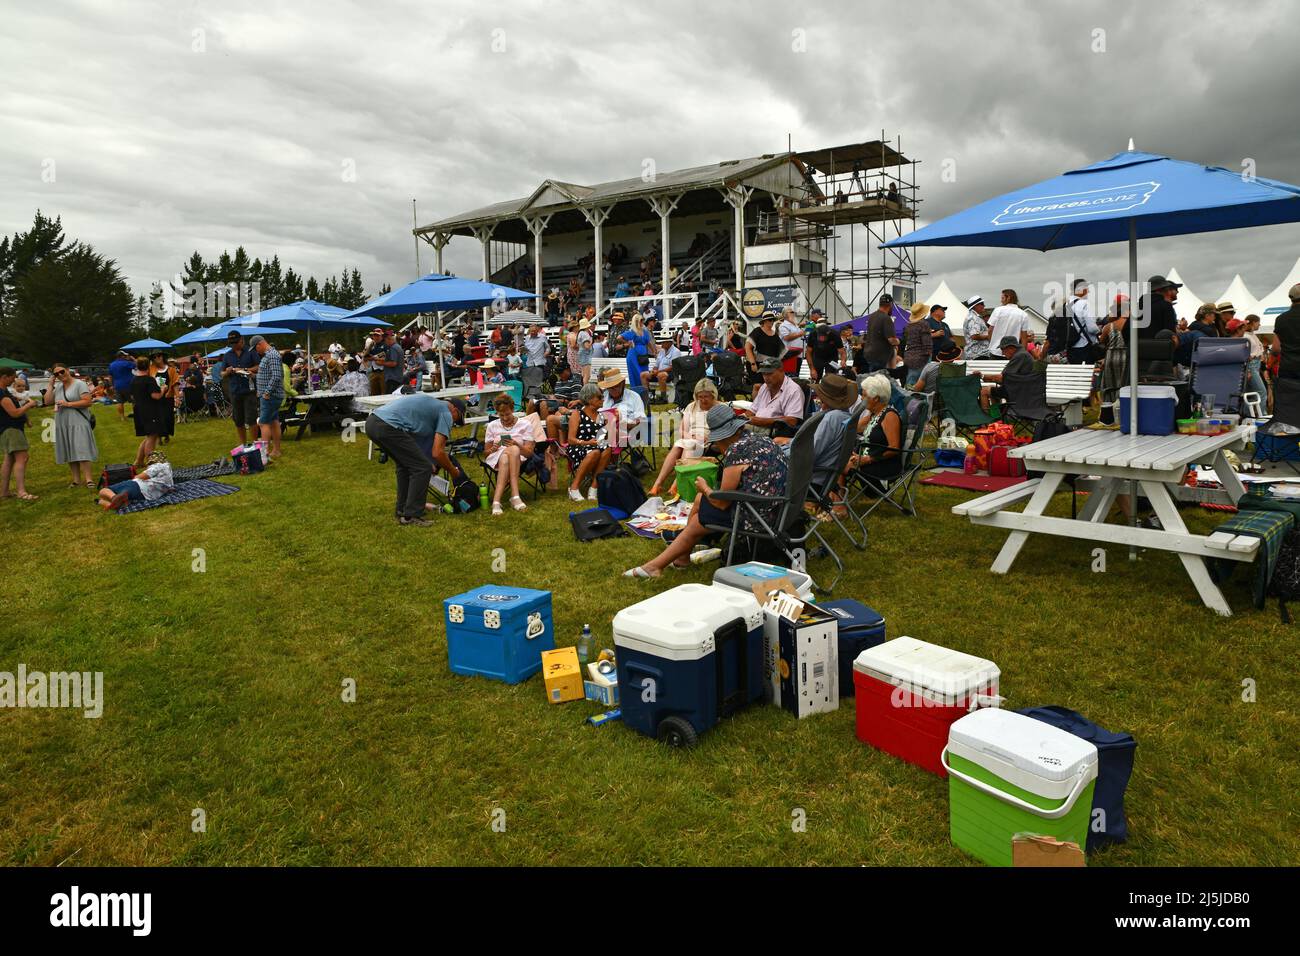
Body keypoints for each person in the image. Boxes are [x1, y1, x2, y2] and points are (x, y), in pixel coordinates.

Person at [623, 403, 787, 578]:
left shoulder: (737, 451)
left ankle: (657, 566)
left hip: (757, 517)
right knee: (701, 500)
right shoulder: (760, 439)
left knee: (699, 514)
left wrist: (705, 487)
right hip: (779, 508)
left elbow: (722, 502)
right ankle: (681, 556)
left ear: (722, 436)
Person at [366, 393, 468, 525]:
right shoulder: (445, 413)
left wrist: (426, 461)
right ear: (454, 409)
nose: (454, 424)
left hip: (373, 422)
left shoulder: (430, 407)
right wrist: (453, 471)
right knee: (422, 468)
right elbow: (438, 452)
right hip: (388, 426)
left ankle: (402, 511)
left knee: (405, 466)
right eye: (457, 420)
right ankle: (412, 515)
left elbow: (416, 446)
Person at [648, 377, 719, 497]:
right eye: (699, 397)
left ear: (713, 395)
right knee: (678, 445)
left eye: (705, 397)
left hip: (708, 439)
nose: (702, 400)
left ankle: (676, 485)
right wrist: (689, 436)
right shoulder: (691, 406)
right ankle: (658, 484)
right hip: (690, 436)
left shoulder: (720, 408)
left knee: (689, 446)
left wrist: (707, 437)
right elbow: (682, 429)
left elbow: (724, 430)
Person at [845, 373, 904, 496]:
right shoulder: (874, 414)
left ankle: (837, 503)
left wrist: (868, 459)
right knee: (836, 460)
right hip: (868, 459)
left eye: (864, 395)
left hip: (883, 465)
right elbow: (851, 428)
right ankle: (835, 500)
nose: (861, 398)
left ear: (875, 398)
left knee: (838, 465)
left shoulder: (889, 416)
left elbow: (894, 448)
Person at [43, 364, 99, 488]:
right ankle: (76, 480)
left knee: (81, 448)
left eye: (62, 371)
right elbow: (47, 401)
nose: (60, 375)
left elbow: (87, 402)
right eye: (56, 374)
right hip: (63, 423)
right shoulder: (58, 387)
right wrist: (50, 384)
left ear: (68, 370)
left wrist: (68, 404)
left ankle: (89, 479)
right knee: (69, 450)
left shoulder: (80, 384)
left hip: (78, 421)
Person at [483, 392, 536, 515]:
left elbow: (529, 453)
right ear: (496, 413)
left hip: (518, 457)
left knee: (511, 453)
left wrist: (517, 445)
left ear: (513, 409)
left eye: (507, 414)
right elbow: (486, 453)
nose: (505, 418)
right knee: (510, 452)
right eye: (501, 415)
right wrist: (493, 449)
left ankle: (496, 501)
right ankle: (515, 496)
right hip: (496, 457)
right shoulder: (492, 426)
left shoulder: (525, 424)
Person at [806, 374, 857, 493]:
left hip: (810, 479)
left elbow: (809, 454)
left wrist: (784, 451)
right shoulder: (844, 415)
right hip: (825, 476)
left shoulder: (831, 418)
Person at [567, 382, 613, 501]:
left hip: (595, 446)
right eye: (599, 397)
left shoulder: (602, 416)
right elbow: (570, 439)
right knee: (595, 452)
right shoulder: (577, 414)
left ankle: (594, 487)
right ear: (589, 398)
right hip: (578, 446)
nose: (603, 399)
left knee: (607, 449)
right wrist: (586, 443)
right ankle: (574, 488)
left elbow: (607, 437)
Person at [739, 356, 804, 439]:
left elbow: (792, 421)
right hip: (756, 425)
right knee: (729, 425)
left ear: (781, 371)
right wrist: (741, 416)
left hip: (774, 431)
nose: (766, 378)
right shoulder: (764, 387)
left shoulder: (793, 391)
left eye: (769, 374)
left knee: (734, 431)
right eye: (763, 374)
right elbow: (752, 410)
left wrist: (761, 421)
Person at [0, 366, 38, 501]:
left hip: (7, 429)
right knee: (22, 457)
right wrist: (29, 404)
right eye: (12, 377)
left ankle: (4, 492)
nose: (13, 380)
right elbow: (14, 413)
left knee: (9, 460)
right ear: (4, 377)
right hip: (11, 429)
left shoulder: (6, 392)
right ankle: (22, 492)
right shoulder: (2, 394)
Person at [97, 450, 173, 512]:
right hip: (146, 496)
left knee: (103, 491)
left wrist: (136, 476)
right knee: (102, 500)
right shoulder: (169, 473)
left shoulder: (158, 466)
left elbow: (141, 477)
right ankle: (112, 503)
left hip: (137, 486)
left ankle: (113, 498)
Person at [221, 330, 260, 445]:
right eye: (231, 343)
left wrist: (246, 369)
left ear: (241, 340)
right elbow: (222, 374)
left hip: (249, 390)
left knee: (251, 418)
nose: (233, 345)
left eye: (235, 342)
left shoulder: (251, 352)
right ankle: (243, 445)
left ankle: (254, 444)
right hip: (235, 391)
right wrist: (227, 371)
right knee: (238, 420)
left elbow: (259, 366)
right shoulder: (227, 355)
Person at [249, 335, 284, 460]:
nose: (255, 351)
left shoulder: (272, 355)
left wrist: (267, 392)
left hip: (270, 396)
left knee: (263, 423)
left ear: (260, 344)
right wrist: (253, 375)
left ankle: (264, 455)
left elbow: (276, 376)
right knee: (274, 422)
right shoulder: (268, 355)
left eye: (255, 348)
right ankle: (276, 451)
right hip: (269, 395)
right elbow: (269, 374)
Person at [980, 336, 1037, 411]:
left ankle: (987, 420)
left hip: (1019, 391)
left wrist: (982, 376)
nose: (1003, 353)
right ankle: (997, 417)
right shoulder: (1022, 354)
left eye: (1003, 350)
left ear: (1011, 348)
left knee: (984, 391)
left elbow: (1003, 378)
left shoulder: (1020, 356)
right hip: (1023, 389)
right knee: (992, 390)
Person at [1098, 294, 1130, 422]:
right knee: (1124, 384)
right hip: (1126, 357)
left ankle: (1108, 414)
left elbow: (1101, 342)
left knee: (1109, 385)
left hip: (1111, 357)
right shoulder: (1130, 325)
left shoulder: (1108, 326)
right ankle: (1123, 412)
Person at [129, 357, 165, 470]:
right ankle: (151, 463)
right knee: (152, 436)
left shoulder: (134, 380)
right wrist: (163, 389)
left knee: (148, 436)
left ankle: (138, 461)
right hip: (150, 410)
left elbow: (132, 396)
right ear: (148, 366)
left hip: (139, 409)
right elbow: (156, 396)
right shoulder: (149, 380)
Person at [745, 312, 785, 396]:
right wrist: (752, 363)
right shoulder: (757, 331)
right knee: (757, 386)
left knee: (769, 387)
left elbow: (782, 352)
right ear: (764, 321)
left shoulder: (775, 334)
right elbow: (747, 347)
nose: (772, 322)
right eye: (770, 320)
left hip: (770, 365)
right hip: (758, 363)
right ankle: (755, 407)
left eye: (773, 320)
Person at [1136, 275, 1181, 340]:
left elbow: (1127, 331)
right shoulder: (1166, 306)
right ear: (1163, 289)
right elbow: (1170, 332)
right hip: (1159, 347)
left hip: (1138, 348)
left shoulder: (1137, 306)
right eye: (1167, 288)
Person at [862, 294, 899, 372]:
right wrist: (898, 341)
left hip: (869, 353)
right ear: (890, 304)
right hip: (880, 356)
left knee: (873, 379)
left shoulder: (871, 317)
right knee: (879, 381)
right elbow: (891, 340)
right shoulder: (886, 318)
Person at [901, 301, 932, 387]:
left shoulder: (908, 326)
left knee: (910, 383)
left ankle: (909, 399)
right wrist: (928, 354)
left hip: (909, 357)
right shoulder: (924, 324)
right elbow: (927, 344)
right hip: (921, 358)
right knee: (922, 384)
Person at [621, 313, 653, 390]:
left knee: (644, 371)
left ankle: (645, 391)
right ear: (637, 321)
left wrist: (654, 351)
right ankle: (637, 391)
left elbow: (648, 342)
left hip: (643, 355)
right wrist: (628, 343)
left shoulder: (645, 331)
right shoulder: (632, 331)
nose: (642, 322)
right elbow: (619, 337)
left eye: (642, 320)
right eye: (641, 320)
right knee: (636, 373)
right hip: (633, 355)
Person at [1242, 313, 1267, 406]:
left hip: (1255, 365)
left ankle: (1248, 415)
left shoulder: (1251, 335)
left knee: (1250, 393)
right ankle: (1261, 415)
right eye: (1258, 323)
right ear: (1253, 323)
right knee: (1261, 392)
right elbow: (1246, 354)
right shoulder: (1246, 336)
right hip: (1251, 365)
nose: (1259, 325)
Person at [777, 308, 806, 377]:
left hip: (798, 355)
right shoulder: (783, 325)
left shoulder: (795, 326)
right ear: (785, 315)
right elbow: (786, 337)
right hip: (789, 356)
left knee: (796, 376)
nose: (794, 314)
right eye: (791, 312)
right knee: (790, 376)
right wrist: (800, 334)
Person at [109, 350, 135, 422]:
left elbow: (110, 376)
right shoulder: (127, 363)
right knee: (134, 401)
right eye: (125, 355)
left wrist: (112, 385)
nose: (126, 356)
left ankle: (122, 417)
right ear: (122, 356)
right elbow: (138, 365)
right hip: (129, 385)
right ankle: (136, 415)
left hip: (117, 385)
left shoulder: (112, 364)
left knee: (120, 402)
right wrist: (132, 359)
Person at [576, 318, 594, 384]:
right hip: (586, 355)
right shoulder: (584, 334)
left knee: (584, 375)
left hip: (582, 355)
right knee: (587, 375)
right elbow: (587, 346)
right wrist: (591, 342)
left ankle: (582, 389)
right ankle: (585, 390)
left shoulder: (581, 333)